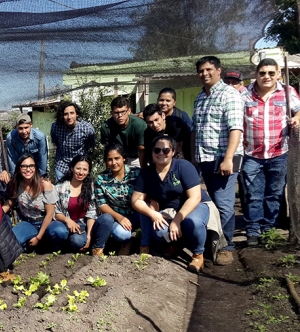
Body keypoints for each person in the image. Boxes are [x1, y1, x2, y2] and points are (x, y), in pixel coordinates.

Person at [241, 58, 300, 246]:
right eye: (262, 73)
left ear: (278, 75)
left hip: (279, 152)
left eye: (271, 73)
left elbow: (299, 111)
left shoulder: (288, 92)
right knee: (252, 194)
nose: (266, 76)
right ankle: (252, 231)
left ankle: (269, 231)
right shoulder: (245, 95)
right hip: (252, 154)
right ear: (256, 75)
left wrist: (297, 119)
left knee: (274, 194)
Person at [191, 55, 244, 265]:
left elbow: (236, 128)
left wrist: (228, 158)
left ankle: (226, 246)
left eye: (208, 69)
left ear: (218, 71)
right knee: (209, 202)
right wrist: (194, 157)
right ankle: (212, 241)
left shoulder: (229, 95)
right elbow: (196, 129)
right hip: (204, 158)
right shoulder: (200, 98)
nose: (204, 73)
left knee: (224, 204)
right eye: (201, 71)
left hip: (224, 158)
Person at [131, 136, 211, 272]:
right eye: (157, 150)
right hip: (169, 210)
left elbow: (195, 197)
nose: (161, 153)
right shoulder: (147, 173)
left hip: (195, 206)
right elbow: (136, 200)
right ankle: (177, 243)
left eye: (165, 150)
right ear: (151, 152)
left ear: (173, 152)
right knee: (159, 232)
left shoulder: (183, 167)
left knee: (192, 222)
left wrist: (177, 221)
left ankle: (198, 254)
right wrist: (153, 213)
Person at [4, 154, 66, 249]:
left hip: (47, 222)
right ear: (19, 168)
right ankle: (33, 243)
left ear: (35, 167)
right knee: (12, 240)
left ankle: (44, 243)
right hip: (28, 222)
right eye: (24, 166)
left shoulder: (44, 185)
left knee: (60, 232)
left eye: (31, 166)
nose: (28, 169)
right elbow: (10, 201)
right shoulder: (16, 184)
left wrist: (38, 237)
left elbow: (50, 214)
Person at [92, 144, 143, 256]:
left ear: (124, 158)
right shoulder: (102, 178)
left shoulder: (137, 173)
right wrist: (120, 218)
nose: (113, 163)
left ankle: (146, 245)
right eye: (110, 159)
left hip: (137, 213)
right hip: (117, 216)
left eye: (117, 158)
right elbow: (102, 204)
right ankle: (126, 243)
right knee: (122, 234)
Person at [53, 156, 97, 253]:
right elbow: (55, 212)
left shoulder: (91, 188)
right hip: (63, 223)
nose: (81, 172)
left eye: (85, 169)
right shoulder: (59, 188)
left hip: (81, 225)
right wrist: (67, 220)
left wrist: (89, 236)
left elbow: (92, 213)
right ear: (72, 168)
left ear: (88, 172)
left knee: (78, 242)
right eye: (78, 168)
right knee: (58, 231)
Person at [50, 101, 96, 181]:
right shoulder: (56, 127)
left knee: (83, 191)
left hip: (80, 165)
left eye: (72, 113)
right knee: (61, 191)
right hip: (62, 165)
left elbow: (91, 145)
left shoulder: (87, 128)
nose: (69, 117)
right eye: (66, 114)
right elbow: (56, 142)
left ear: (76, 114)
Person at [100, 96, 147, 167]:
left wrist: (144, 171)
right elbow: (108, 151)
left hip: (137, 158)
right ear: (111, 113)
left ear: (129, 111)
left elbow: (142, 150)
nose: (120, 115)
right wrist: (109, 172)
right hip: (118, 158)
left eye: (123, 112)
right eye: (116, 112)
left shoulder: (139, 124)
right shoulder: (106, 127)